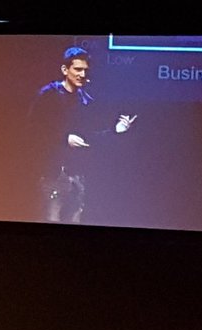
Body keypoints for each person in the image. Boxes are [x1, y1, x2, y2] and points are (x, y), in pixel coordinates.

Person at [27, 46, 136, 223]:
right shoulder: (49, 95)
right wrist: (64, 139)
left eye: (85, 70)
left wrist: (117, 130)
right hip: (51, 174)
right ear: (65, 70)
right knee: (51, 218)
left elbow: (90, 136)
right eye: (77, 69)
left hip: (77, 175)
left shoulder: (85, 101)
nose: (82, 74)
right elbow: (33, 131)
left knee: (75, 220)